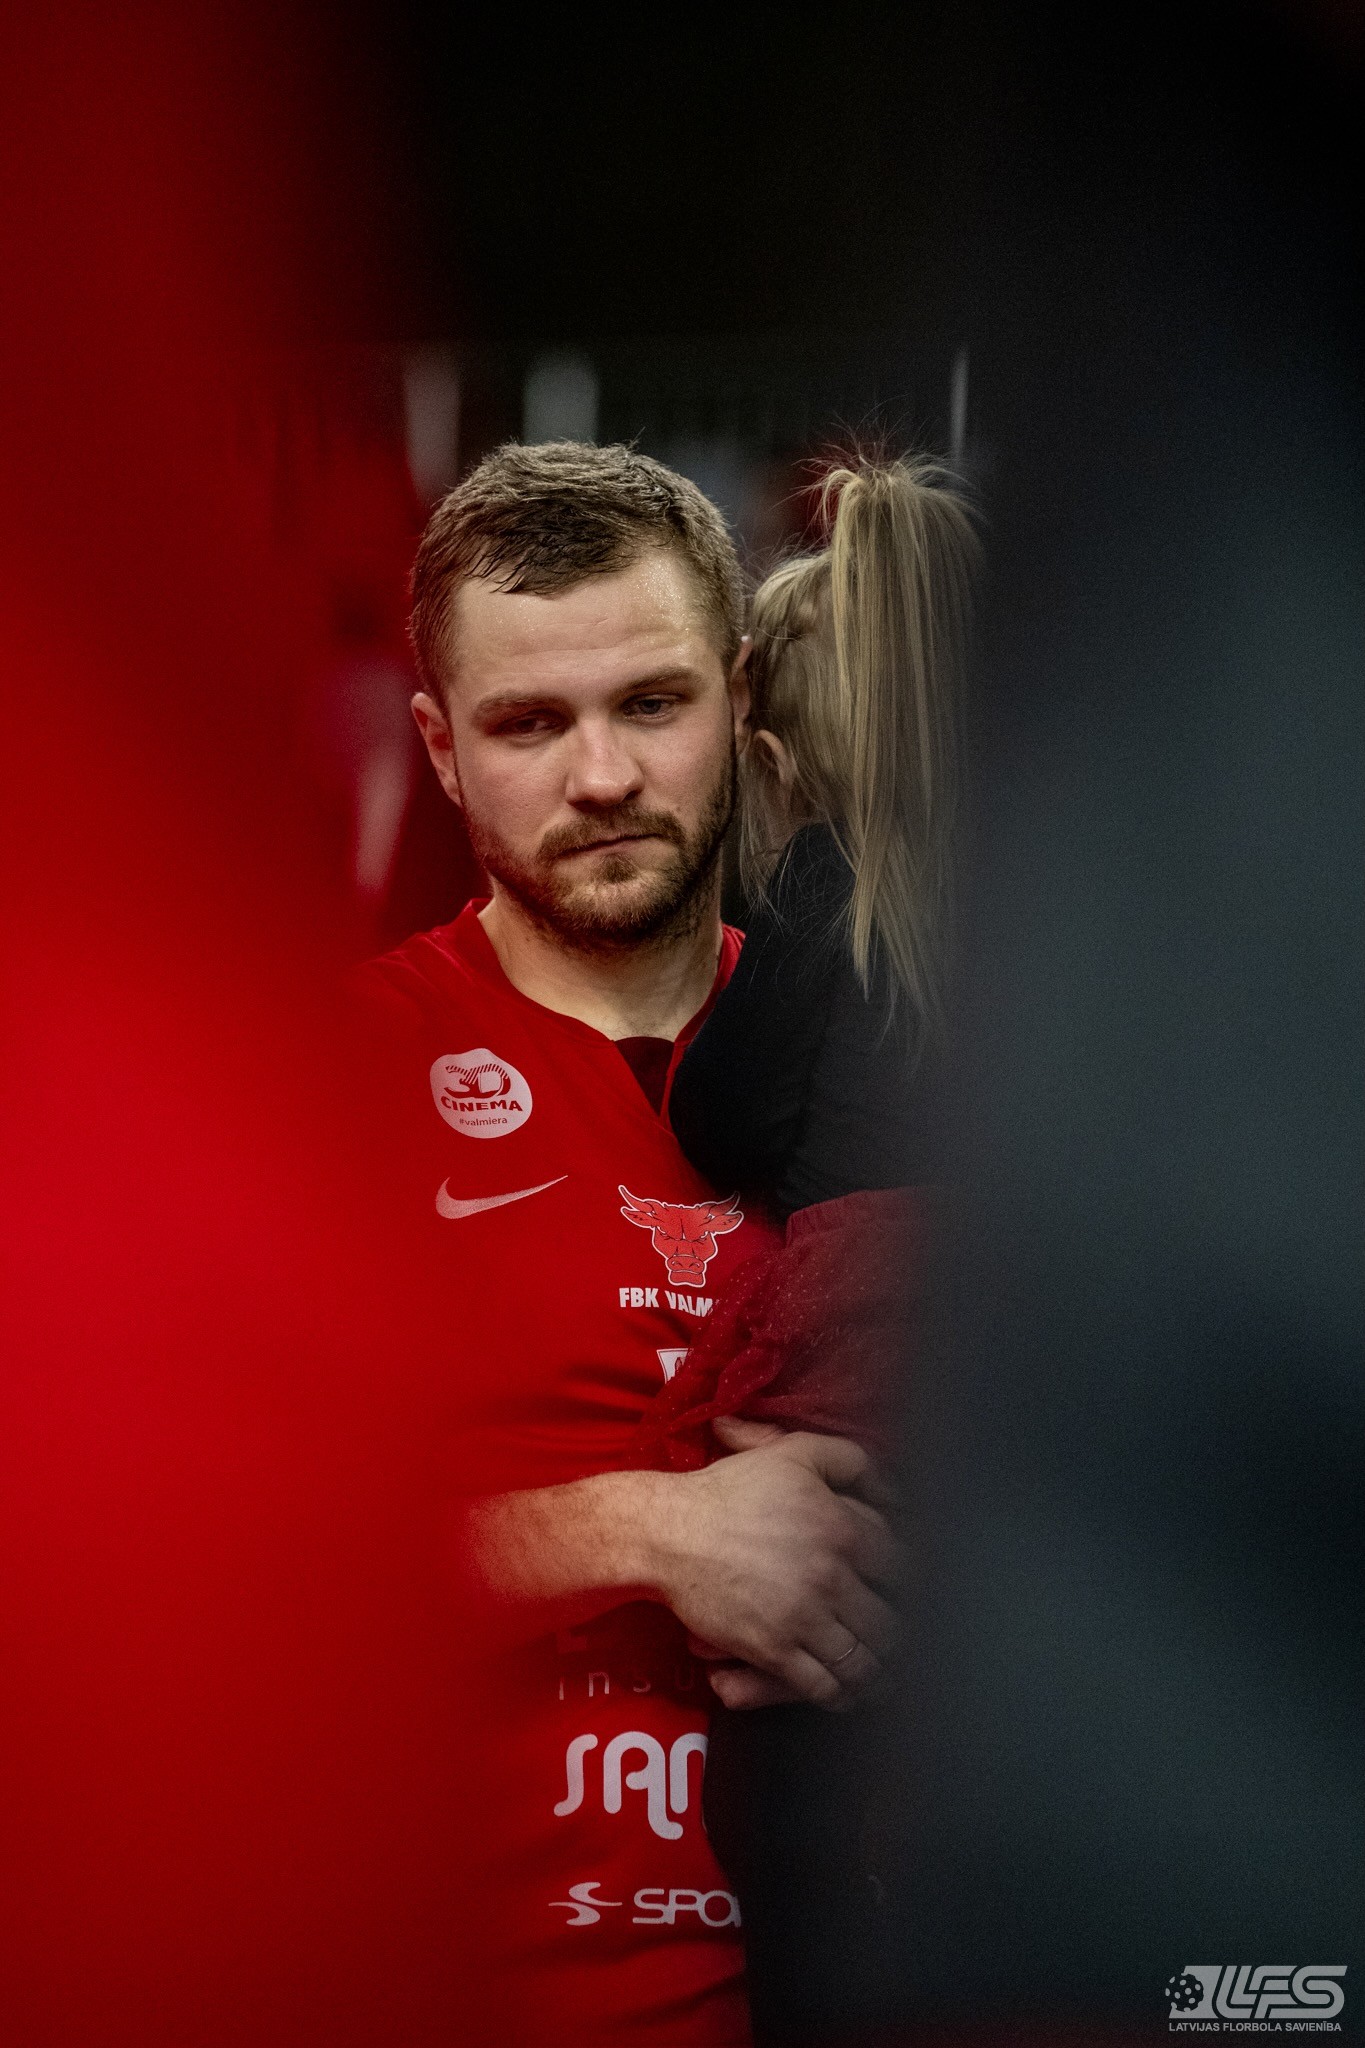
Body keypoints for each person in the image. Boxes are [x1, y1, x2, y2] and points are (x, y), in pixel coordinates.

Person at [351, 442, 899, 2048]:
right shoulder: (314, 1080)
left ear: (740, 699)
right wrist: (639, 1530)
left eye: (652, 704)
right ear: (442, 751)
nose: (600, 776)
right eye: (529, 723)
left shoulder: (901, 1060)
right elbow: (176, 1568)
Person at [637, 457, 978, 2044]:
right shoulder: (1066, 904)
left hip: (850, 1342)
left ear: (772, 755)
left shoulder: (823, 891)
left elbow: (720, 1117)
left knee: (790, 1718)